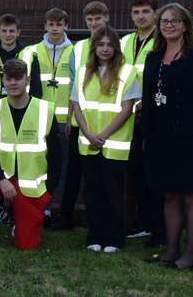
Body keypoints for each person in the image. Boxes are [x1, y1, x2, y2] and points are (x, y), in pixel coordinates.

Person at [140, 3, 193, 270]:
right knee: (170, 196)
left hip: (192, 138)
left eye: (175, 21)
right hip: (160, 138)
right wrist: (146, 134)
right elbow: (148, 99)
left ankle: (190, 256)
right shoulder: (153, 58)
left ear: (185, 25)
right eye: (164, 21)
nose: (168, 25)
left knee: (192, 196)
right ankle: (172, 250)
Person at [0, 59, 54, 252]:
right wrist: (1, 179)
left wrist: (49, 192)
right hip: (1, 175)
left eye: (18, 78)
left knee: (26, 246)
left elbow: (57, 155)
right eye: (8, 78)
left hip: (30, 182)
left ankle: (22, 223)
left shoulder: (45, 110)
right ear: (3, 81)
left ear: (28, 80)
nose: (13, 83)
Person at [71, 25, 140, 253]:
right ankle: (95, 235)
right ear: (94, 46)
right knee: (92, 192)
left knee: (113, 192)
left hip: (114, 145)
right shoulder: (82, 72)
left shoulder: (127, 72)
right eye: (100, 44)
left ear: (117, 47)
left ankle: (113, 238)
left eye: (110, 44)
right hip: (89, 142)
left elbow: (127, 109)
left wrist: (103, 135)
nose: (105, 48)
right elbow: (77, 106)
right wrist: (89, 134)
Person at [48, 1, 109, 232]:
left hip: (107, 122)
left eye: (98, 18)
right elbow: (74, 85)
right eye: (90, 20)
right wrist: (71, 118)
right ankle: (66, 217)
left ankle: (100, 221)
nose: (94, 23)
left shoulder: (117, 45)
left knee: (102, 174)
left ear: (106, 19)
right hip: (79, 120)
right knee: (72, 171)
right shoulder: (78, 48)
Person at [121, 0, 162, 246]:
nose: (141, 16)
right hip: (129, 117)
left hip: (154, 116)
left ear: (155, 13)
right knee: (135, 171)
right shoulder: (125, 41)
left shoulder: (163, 39)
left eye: (146, 11)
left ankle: (157, 225)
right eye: (136, 12)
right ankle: (142, 222)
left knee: (154, 173)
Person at [26, 8, 73, 225]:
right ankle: (41, 210)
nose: (55, 28)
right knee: (39, 166)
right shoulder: (31, 51)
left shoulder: (76, 51)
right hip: (38, 119)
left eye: (59, 24)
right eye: (51, 24)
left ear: (66, 26)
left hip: (65, 121)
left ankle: (60, 211)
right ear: (45, 26)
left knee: (62, 167)